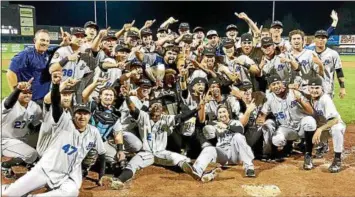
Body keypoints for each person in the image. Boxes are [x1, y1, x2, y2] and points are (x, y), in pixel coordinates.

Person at [2, 103, 106, 197]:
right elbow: (56, 108)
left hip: (68, 175)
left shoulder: (94, 131)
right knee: (8, 194)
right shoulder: (64, 125)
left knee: (72, 192)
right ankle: (6, 188)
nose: (82, 117)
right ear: (73, 115)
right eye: (79, 113)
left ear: (90, 115)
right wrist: (56, 86)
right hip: (46, 169)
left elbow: (102, 153)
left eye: (85, 113)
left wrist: (101, 175)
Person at [109, 87, 202, 190]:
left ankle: (198, 173)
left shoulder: (166, 118)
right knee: (132, 165)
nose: (156, 110)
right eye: (154, 107)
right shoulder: (143, 116)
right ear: (150, 109)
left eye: (159, 108)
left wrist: (197, 108)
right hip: (146, 153)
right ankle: (119, 181)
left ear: (162, 111)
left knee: (180, 159)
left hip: (162, 152)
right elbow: (132, 108)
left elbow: (182, 117)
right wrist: (127, 97)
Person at [184, 104, 256, 182]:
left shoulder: (235, 122)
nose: (222, 114)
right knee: (209, 149)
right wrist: (208, 131)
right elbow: (206, 128)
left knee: (238, 136)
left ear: (228, 113)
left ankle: (249, 167)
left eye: (224, 112)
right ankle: (197, 170)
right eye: (220, 112)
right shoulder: (215, 124)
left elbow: (240, 130)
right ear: (217, 116)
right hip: (223, 155)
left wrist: (227, 126)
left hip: (234, 154)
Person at [257, 75, 317, 169]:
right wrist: (262, 119)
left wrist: (300, 100)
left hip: (301, 127)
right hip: (287, 129)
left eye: (278, 83)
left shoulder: (294, 93)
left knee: (310, 122)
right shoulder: (269, 99)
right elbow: (263, 114)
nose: (276, 86)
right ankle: (287, 147)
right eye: (273, 84)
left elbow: (311, 112)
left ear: (283, 84)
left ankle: (308, 154)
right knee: (277, 140)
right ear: (270, 87)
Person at [6, 29, 62, 104]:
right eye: (42, 40)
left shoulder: (47, 53)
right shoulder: (26, 54)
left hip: (44, 99)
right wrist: (15, 93)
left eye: (47, 41)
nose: (45, 43)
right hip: (29, 100)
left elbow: (60, 48)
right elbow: (10, 72)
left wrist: (65, 43)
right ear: (35, 40)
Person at [1, 78, 42, 176]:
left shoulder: (34, 107)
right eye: (24, 92)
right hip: (5, 140)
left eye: (29, 92)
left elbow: (37, 124)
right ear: (17, 93)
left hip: (23, 138)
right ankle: (6, 164)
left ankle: (25, 160)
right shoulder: (9, 104)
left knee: (45, 148)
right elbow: (8, 103)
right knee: (32, 154)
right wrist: (18, 89)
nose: (28, 95)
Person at [308, 77, 346, 173]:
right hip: (321, 128)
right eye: (312, 88)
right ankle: (321, 145)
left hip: (332, 126)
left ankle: (337, 159)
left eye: (317, 88)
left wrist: (320, 129)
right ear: (308, 89)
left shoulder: (325, 99)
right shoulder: (308, 98)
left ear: (322, 88)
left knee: (336, 129)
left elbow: (335, 120)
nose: (314, 90)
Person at [312, 30, 346, 99]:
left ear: (327, 40)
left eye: (323, 38)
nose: (321, 40)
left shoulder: (333, 54)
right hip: (311, 88)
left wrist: (342, 87)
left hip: (327, 89)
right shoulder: (309, 53)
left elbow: (339, 71)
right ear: (314, 39)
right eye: (318, 38)